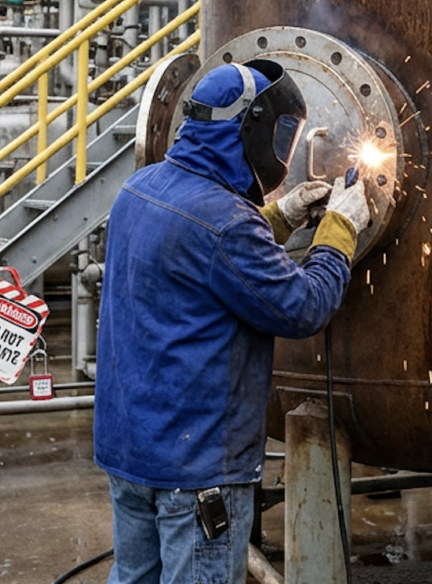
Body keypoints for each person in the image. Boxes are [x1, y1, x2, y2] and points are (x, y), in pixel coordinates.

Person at [95, 60, 373, 584]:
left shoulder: (141, 188)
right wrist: (340, 230)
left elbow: (193, 247)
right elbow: (303, 306)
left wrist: (282, 214)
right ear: (251, 130)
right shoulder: (226, 224)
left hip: (130, 451)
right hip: (196, 466)